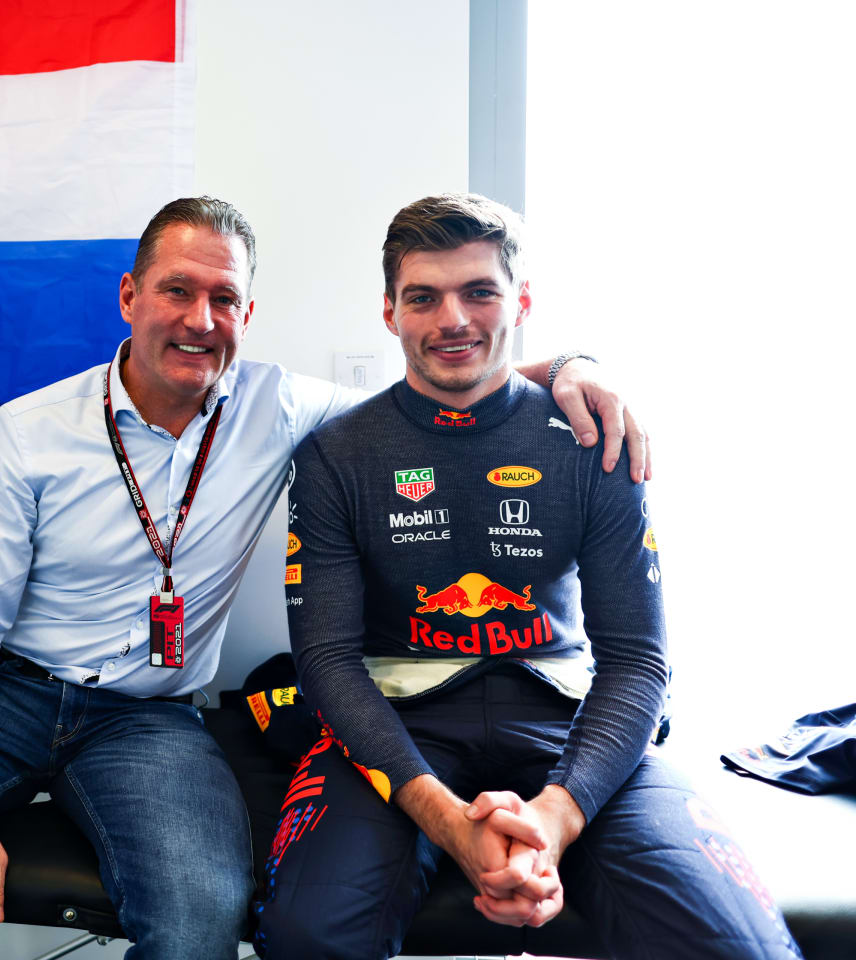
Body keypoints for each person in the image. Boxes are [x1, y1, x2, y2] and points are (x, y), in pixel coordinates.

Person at [0, 197, 649, 960]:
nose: (200, 318)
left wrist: (574, 368)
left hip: (149, 720)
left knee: (200, 916)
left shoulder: (284, 409)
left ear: (247, 315)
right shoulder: (30, 431)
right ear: (129, 296)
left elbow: (446, 383)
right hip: (9, 697)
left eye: (225, 297)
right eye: (178, 290)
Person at [255, 193, 801, 959]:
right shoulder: (336, 454)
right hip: (399, 727)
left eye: (479, 291)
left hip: (568, 720)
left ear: (524, 301)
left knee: (740, 947)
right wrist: (451, 825)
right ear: (389, 313)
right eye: (424, 297)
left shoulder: (591, 437)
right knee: (306, 939)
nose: (452, 319)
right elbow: (326, 662)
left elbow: (640, 660)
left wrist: (555, 815)